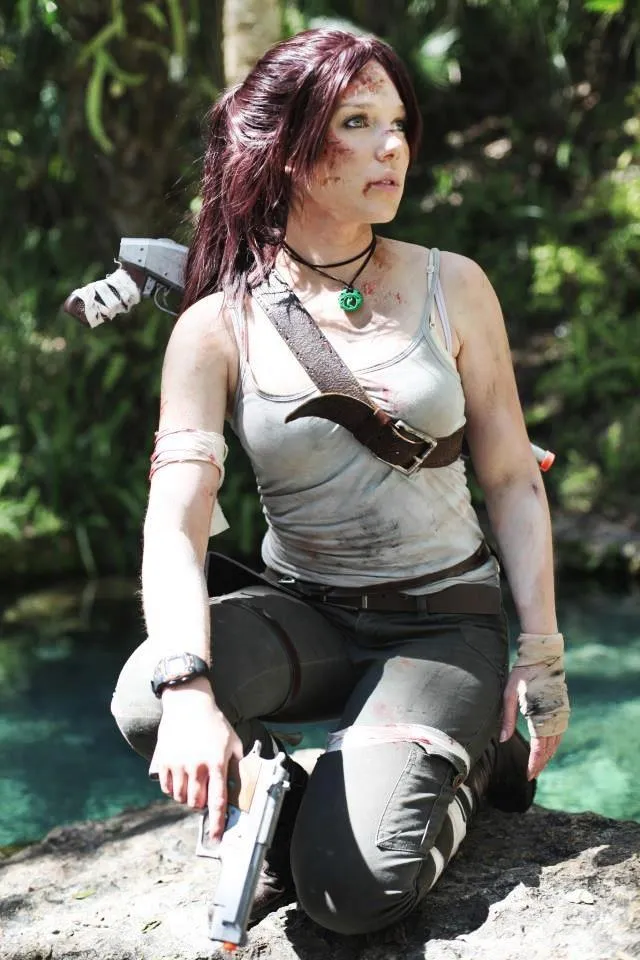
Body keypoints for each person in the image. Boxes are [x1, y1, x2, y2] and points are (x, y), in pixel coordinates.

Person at [110, 28, 570, 937]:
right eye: (357, 123)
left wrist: (542, 656)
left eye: (397, 123)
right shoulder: (216, 326)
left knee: (347, 897)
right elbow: (175, 523)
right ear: (286, 148)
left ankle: (470, 767)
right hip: (307, 615)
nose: (392, 146)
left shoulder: (454, 286)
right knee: (147, 697)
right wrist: (191, 690)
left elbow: (514, 479)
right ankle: (279, 795)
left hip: (443, 623)